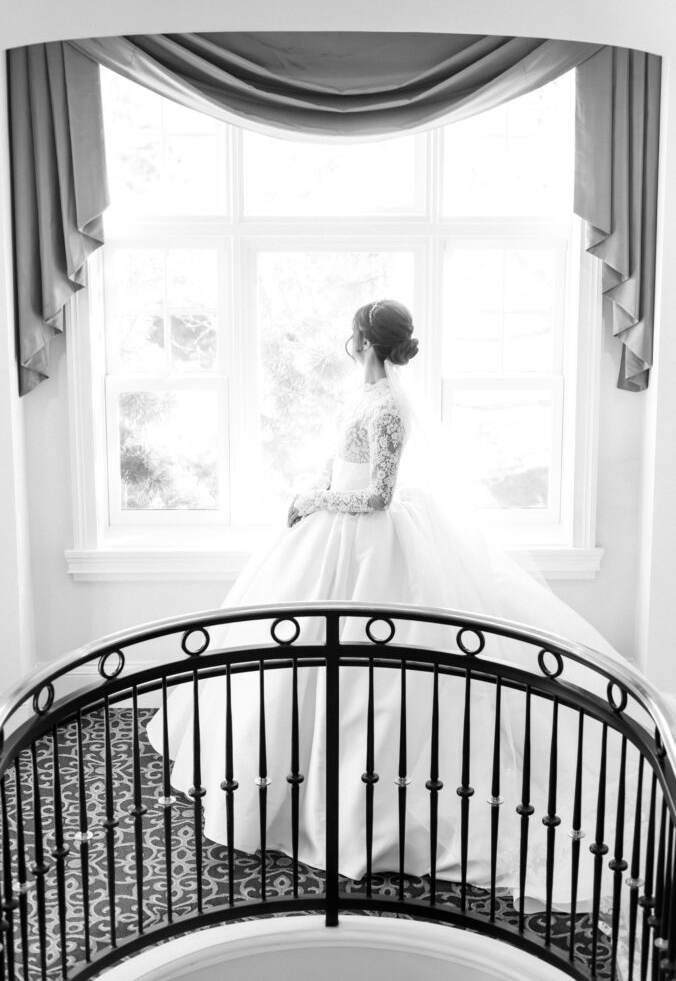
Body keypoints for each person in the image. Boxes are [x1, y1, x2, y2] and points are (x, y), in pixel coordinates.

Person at [148, 299, 638, 912]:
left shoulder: (389, 407)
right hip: (329, 537)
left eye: (351, 332)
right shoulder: (362, 397)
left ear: (363, 339)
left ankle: (360, 813)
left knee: (368, 677)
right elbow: (341, 466)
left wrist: (318, 500)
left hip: (367, 548)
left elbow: (378, 495)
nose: (347, 340)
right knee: (290, 663)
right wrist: (315, 490)